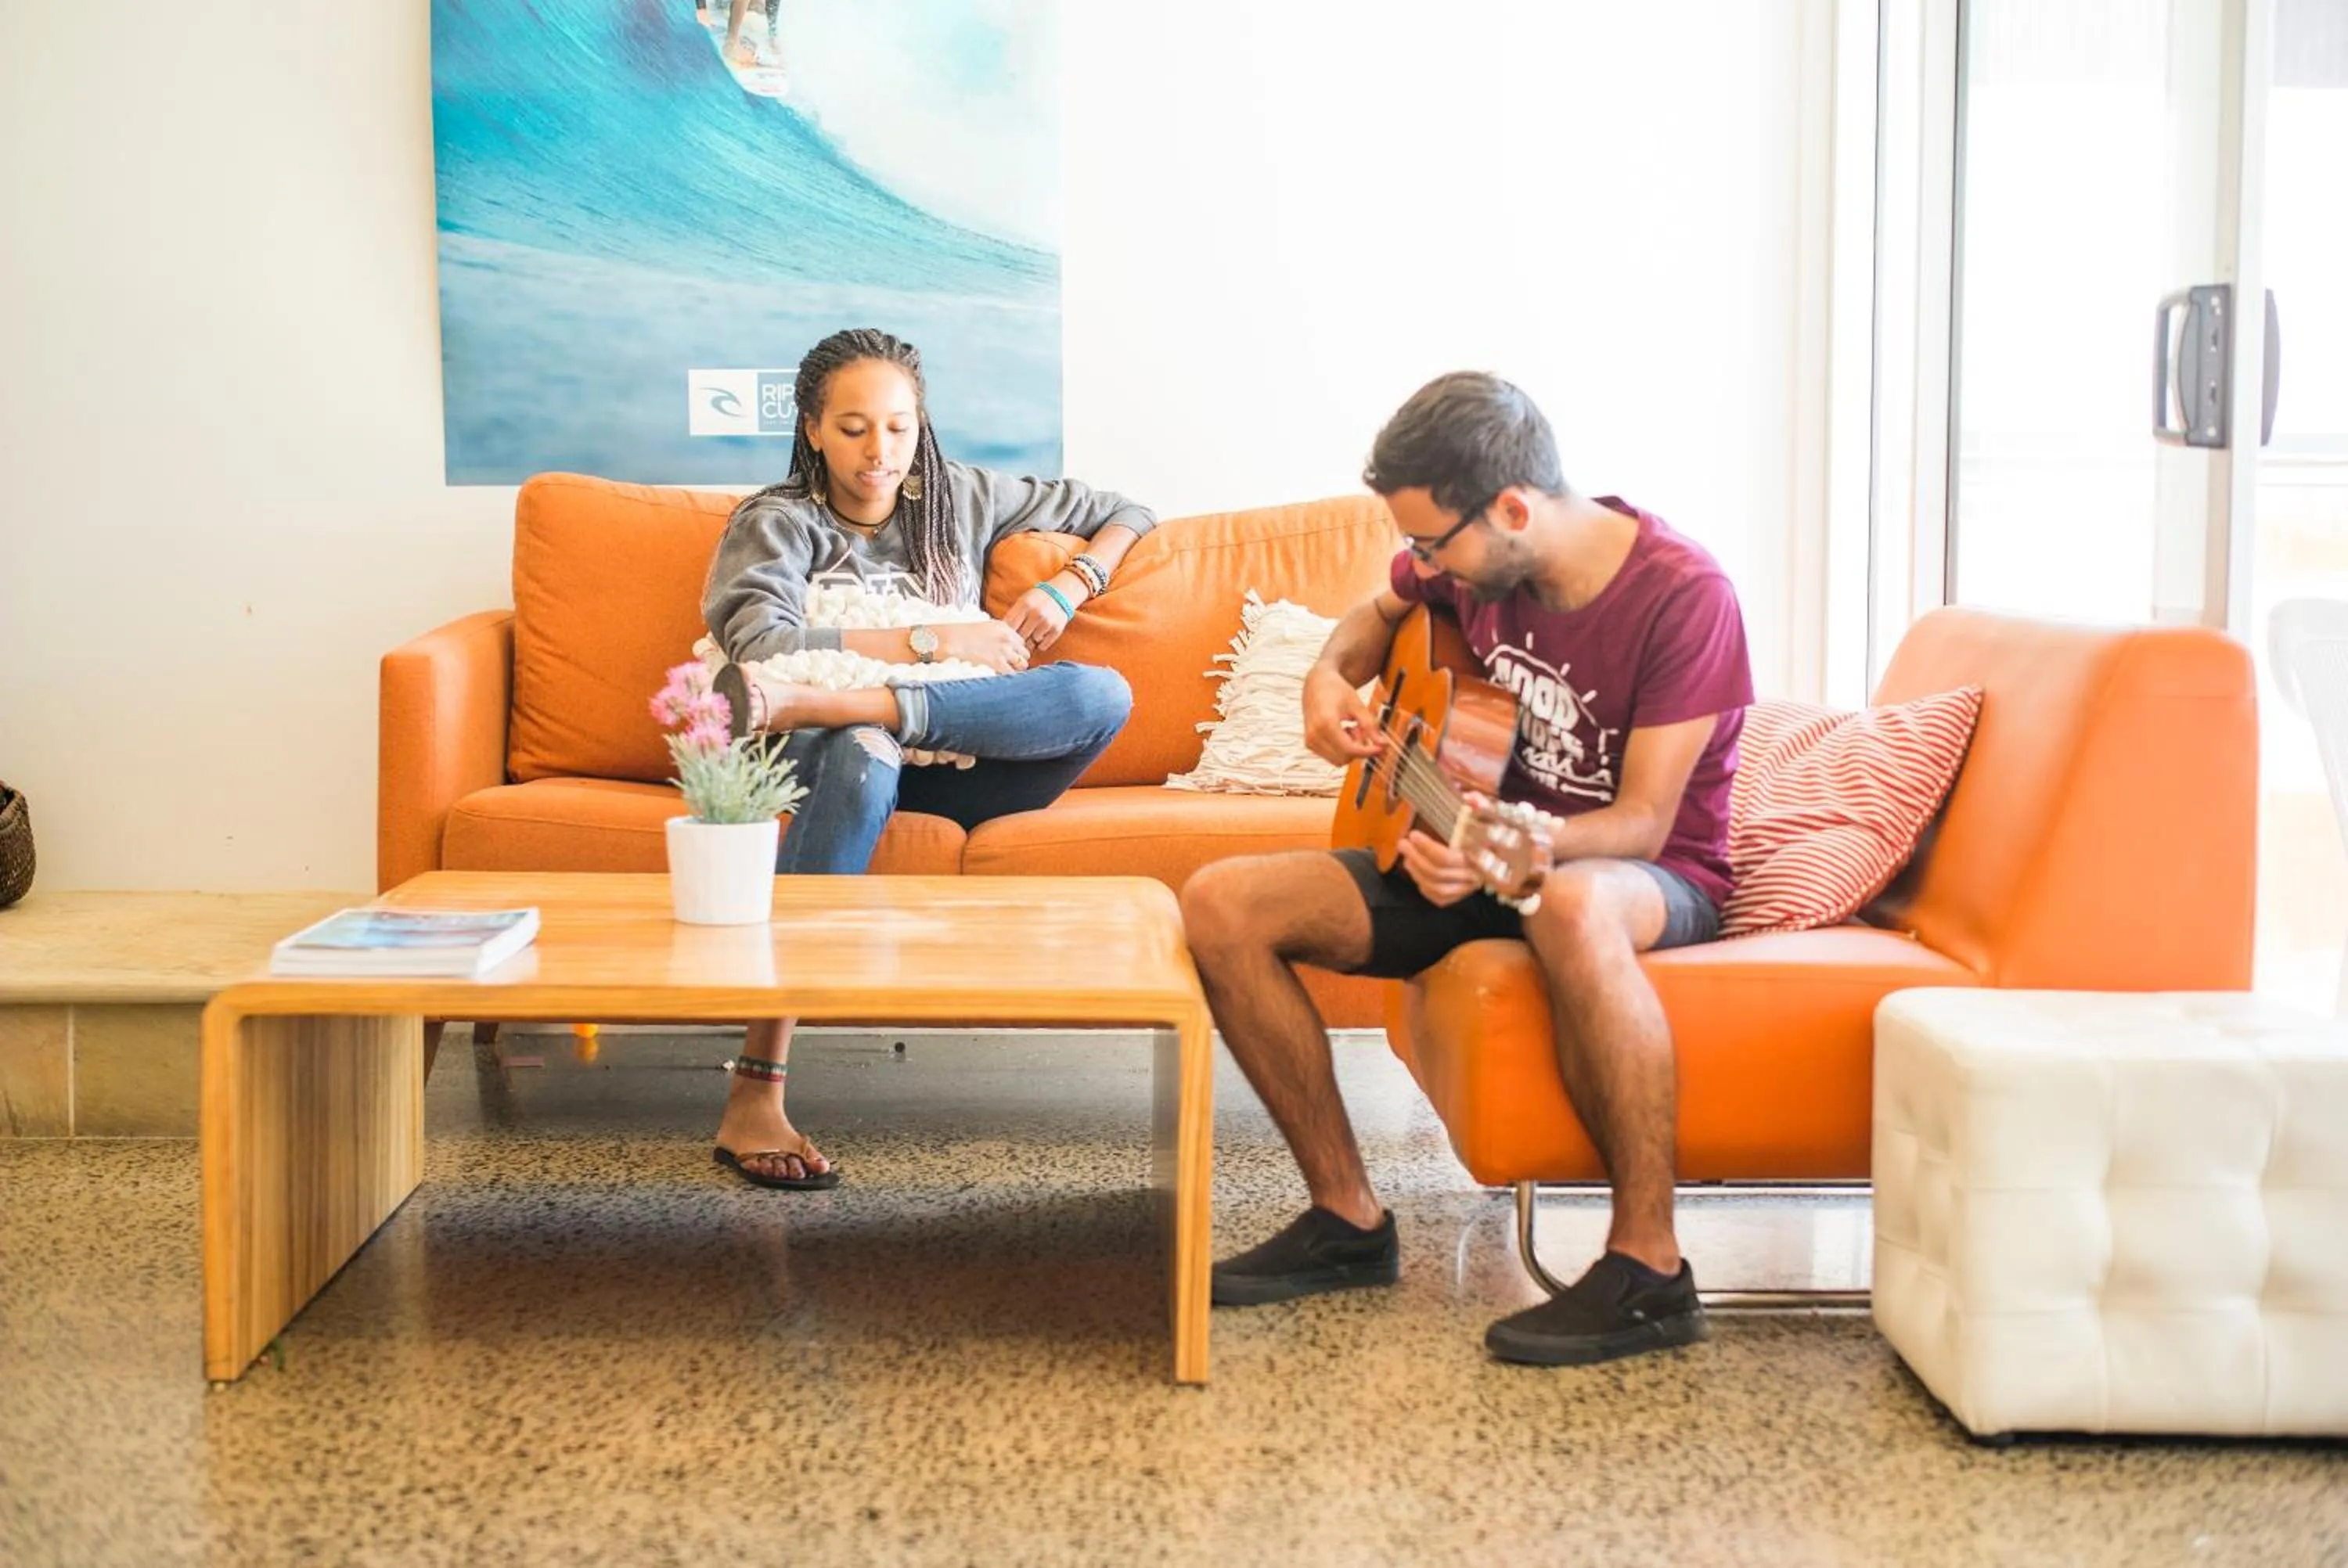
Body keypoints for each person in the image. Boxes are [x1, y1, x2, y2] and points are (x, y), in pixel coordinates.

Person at [1181, 371, 1752, 1367]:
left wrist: (1514, 852)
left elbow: (1644, 823)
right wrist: (1327, 681)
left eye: (1432, 543)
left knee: (1568, 905)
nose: (1419, 562)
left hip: (1638, 874)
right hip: (1473, 850)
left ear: (1515, 508)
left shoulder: (1683, 594)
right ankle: (1347, 1221)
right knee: (1221, 904)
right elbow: (1371, 615)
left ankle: (1650, 1269)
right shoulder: (1472, 566)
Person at [702, 327, 1151, 1190]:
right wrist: (934, 636)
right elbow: (759, 643)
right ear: (812, 431)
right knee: (863, 747)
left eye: (901, 427)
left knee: (1101, 696)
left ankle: (854, 705)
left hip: (968, 773)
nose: (882, 453)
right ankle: (756, 1093)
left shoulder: (964, 498)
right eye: (855, 427)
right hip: (843, 766)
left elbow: (1127, 511)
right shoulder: (777, 522)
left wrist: (1071, 584)